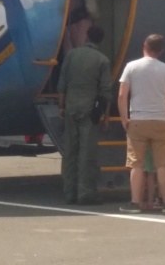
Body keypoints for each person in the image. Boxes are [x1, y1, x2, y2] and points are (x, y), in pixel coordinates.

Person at [118, 34, 165, 214]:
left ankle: (135, 203)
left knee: (136, 164)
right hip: (161, 120)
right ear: (160, 51)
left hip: (137, 119)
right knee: (162, 164)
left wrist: (124, 118)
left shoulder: (131, 67)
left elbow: (122, 95)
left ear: (144, 46)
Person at [57, 24, 112, 205]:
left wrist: (61, 107)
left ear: (87, 36)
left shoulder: (72, 55)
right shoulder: (102, 60)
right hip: (90, 111)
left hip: (71, 106)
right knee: (87, 154)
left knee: (70, 152)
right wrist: (105, 117)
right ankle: (85, 193)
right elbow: (105, 92)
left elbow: (62, 84)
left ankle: (69, 193)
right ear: (100, 40)